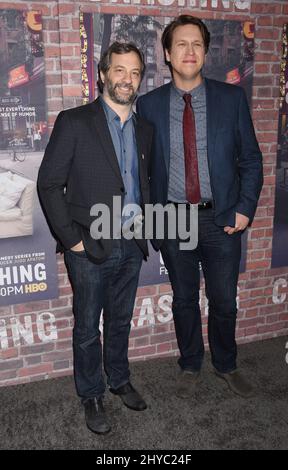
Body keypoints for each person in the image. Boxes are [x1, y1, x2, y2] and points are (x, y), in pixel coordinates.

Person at [137, 15, 263, 399]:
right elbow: (142, 170)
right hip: (174, 220)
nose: (189, 51)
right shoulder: (149, 105)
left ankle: (226, 363)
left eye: (196, 44)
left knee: (224, 300)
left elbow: (251, 160)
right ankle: (190, 363)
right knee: (184, 300)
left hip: (221, 218)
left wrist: (244, 208)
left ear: (205, 53)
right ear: (167, 54)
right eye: (181, 44)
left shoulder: (231, 98)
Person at [38, 42, 153, 434]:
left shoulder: (145, 128)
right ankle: (91, 394)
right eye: (119, 70)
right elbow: (49, 184)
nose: (127, 79)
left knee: (120, 320)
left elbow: (143, 185)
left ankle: (118, 379)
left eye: (135, 72)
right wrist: (72, 241)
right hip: (88, 247)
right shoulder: (75, 122)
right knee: (88, 327)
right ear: (103, 74)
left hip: (131, 244)